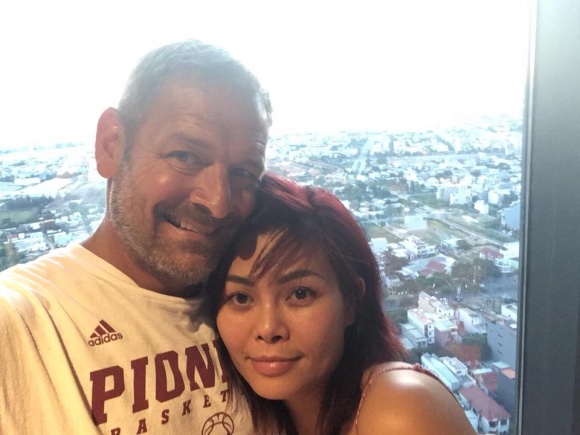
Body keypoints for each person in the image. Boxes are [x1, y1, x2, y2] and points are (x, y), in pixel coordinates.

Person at [0, 40, 271, 434]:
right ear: (111, 145)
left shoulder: (253, 313)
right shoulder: (21, 321)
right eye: (184, 156)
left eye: (244, 173)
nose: (217, 203)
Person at [208, 173, 476, 435]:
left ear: (351, 301)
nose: (268, 329)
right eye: (241, 298)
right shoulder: (254, 419)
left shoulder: (401, 410)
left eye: (300, 294)